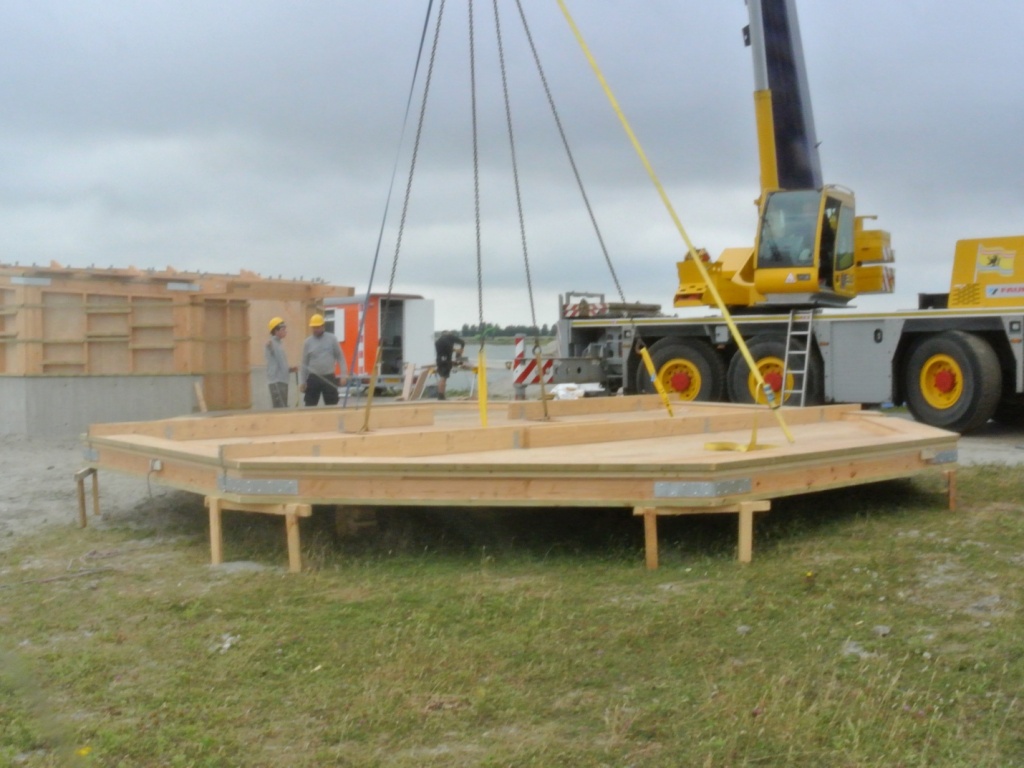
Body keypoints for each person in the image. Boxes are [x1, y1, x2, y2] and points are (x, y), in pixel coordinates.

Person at [299, 313, 346, 406]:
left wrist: (344, 375)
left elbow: (340, 358)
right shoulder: (307, 342)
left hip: (329, 377)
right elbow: (304, 363)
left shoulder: (332, 339)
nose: (315, 329)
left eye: (317, 327)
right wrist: (302, 382)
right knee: (310, 405)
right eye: (313, 327)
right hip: (313, 379)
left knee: (332, 405)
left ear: (323, 326)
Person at [264, 316, 295, 408]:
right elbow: (270, 349)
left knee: (283, 407)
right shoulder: (271, 343)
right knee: (280, 409)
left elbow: (279, 362)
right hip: (276, 381)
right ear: (276, 331)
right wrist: (269, 347)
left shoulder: (279, 344)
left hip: (282, 380)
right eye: (283, 329)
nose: (285, 331)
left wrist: (289, 369)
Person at [434, 331, 465, 400]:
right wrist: (460, 350)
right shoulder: (450, 338)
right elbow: (461, 342)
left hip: (439, 360)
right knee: (443, 378)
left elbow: (446, 349)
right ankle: (441, 395)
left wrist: (457, 351)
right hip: (446, 360)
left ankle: (441, 395)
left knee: (442, 377)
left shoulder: (438, 341)